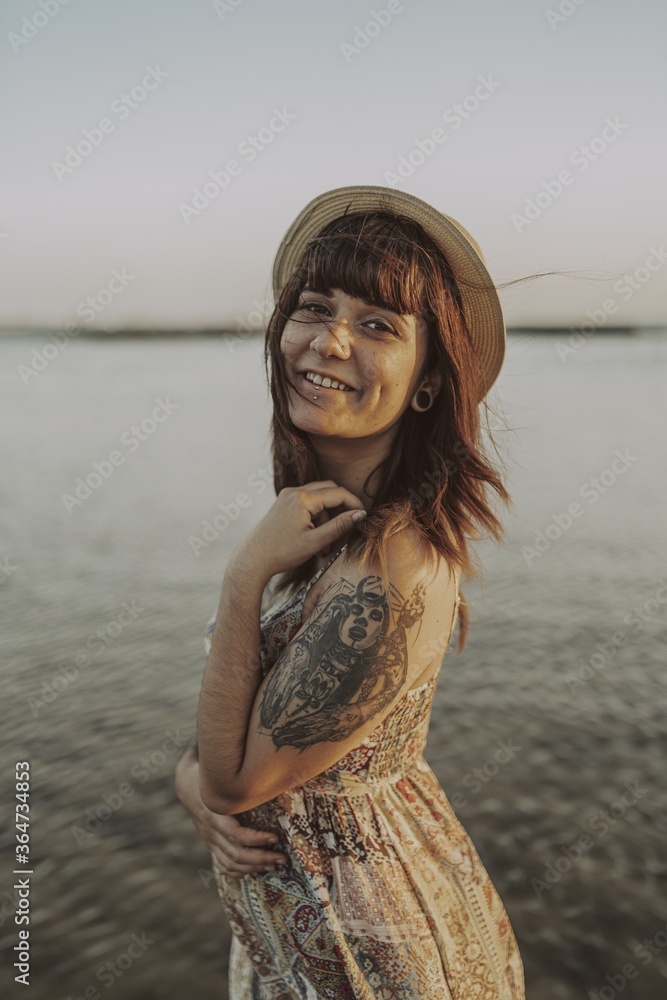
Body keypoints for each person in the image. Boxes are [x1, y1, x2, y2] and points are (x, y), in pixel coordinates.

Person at [175, 185, 526, 997]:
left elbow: (235, 780)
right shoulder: (320, 530)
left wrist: (241, 580)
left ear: (429, 381)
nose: (328, 341)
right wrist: (189, 785)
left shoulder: (391, 567)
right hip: (292, 936)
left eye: (377, 325)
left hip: (368, 950)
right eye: (313, 306)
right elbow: (220, 754)